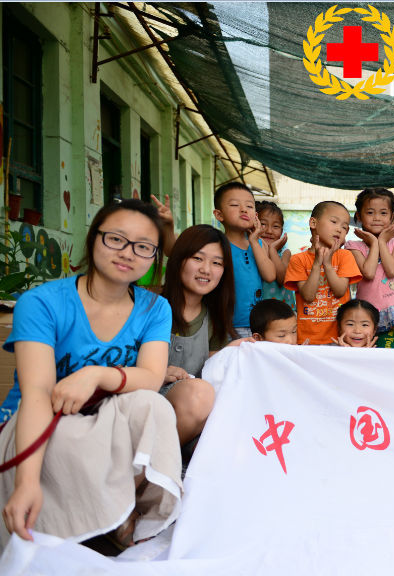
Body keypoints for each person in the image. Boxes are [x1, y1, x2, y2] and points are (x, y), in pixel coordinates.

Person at [0, 199, 181, 549]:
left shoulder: (154, 308)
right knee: (70, 440)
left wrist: (97, 374)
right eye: (116, 239)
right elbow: (37, 394)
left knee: (155, 407)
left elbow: (151, 377)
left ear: (154, 256)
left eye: (143, 246)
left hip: (103, 418)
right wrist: (26, 481)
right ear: (94, 238)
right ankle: (85, 524)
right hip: (42, 421)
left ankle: (129, 514)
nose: (127, 253)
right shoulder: (41, 303)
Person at [159, 225, 243, 447]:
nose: (206, 269)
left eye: (217, 263)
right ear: (179, 259)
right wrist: (156, 373)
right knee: (200, 394)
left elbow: (213, 371)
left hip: (189, 419)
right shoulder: (149, 306)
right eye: (198, 258)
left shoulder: (215, 318)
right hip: (146, 403)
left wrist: (234, 349)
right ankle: (152, 462)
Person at [284, 201, 361, 345]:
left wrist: (327, 264)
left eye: (344, 227)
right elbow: (308, 296)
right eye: (334, 222)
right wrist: (316, 264)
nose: (339, 229)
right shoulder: (298, 259)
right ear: (313, 223)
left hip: (339, 338)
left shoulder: (345, 256)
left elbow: (340, 291)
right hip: (307, 338)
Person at [213, 182, 275, 338]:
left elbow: (269, 275)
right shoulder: (217, 245)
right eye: (235, 205)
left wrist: (254, 241)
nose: (244, 209)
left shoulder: (259, 243)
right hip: (227, 326)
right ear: (219, 215)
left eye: (249, 206)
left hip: (257, 326)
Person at [345, 188, 394, 348]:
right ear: (358, 216)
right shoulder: (353, 245)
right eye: (370, 212)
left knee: (387, 355)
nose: (377, 218)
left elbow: (392, 270)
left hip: (392, 312)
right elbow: (369, 273)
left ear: (391, 216)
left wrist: (382, 241)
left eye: (383, 213)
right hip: (364, 314)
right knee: (364, 354)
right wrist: (374, 243)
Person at [256, 201, 296, 313]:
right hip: (260, 313)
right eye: (263, 224)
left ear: (282, 231)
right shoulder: (253, 252)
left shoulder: (285, 253)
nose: (269, 231)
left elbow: (281, 278)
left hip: (283, 313)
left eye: (276, 226)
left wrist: (272, 250)